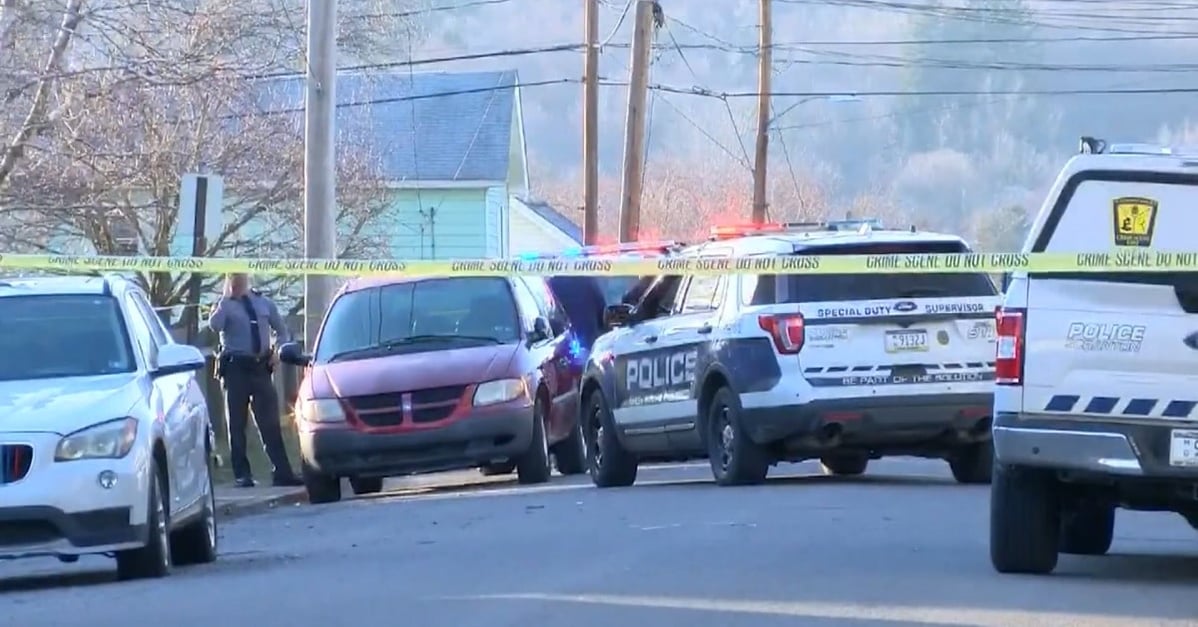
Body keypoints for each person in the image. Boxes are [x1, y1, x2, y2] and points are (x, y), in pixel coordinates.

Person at [208, 274, 302, 488]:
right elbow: (215, 325)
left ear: (247, 280)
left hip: (260, 368)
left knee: (270, 423)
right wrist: (224, 300)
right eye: (233, 280)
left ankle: (282, 472)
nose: (237, 284)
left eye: (240, 279)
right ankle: (243, 475)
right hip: (236, 369)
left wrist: (277, 351)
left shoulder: (263, 303)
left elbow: (282, 331)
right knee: (237, 424)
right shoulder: (224, 305)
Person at [546, 275, 607, 350]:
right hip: (594, 335)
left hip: (580, 338)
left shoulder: (555, 283)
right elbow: (600, 303)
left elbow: (558, 314)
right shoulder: (585, 277)